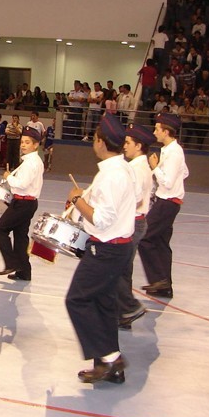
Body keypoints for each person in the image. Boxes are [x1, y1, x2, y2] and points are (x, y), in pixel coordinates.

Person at [65, 113, 137, 384]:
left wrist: (77, 199)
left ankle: (109, 359)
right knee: (103, 304)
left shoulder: (111, 175)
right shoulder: (121, 168)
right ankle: (111, 366)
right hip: (119, 248)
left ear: (101, 142)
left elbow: (102, 219)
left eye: (95, 138)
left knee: (77, 300)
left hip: (106, 249)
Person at [138, 113, 189, 298]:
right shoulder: (171, 151)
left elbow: (167, 182)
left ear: (166, 131)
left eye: (157, 129)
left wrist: (155, 167)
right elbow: (185, 172)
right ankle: (164, 286)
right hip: (168, 201)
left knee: (145, 238)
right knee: (160, 243)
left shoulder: (174, 152)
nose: (154, 132)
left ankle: (159, 279)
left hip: (167, 201)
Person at [0, 126, 44, 282]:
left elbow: (22, 183)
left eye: (27, 142)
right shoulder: (30, 160)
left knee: (0, 229)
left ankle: (11, 262)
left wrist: (8, 177)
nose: (23, 145)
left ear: (35, 145)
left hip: (23, 204)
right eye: (22, 142)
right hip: (26, 203)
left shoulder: (31, 163)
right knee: (21, 237)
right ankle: (24, 271)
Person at [118, 123, 156, 329]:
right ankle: (123, 313)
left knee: (117, 268)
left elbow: (134, 197)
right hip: (135, 221)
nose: (124, 146)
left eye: (128, 142)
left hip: (133, 221)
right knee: (123, 269)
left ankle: (129, 307)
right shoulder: (139, 166)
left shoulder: (137, 169)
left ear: (139, 145)